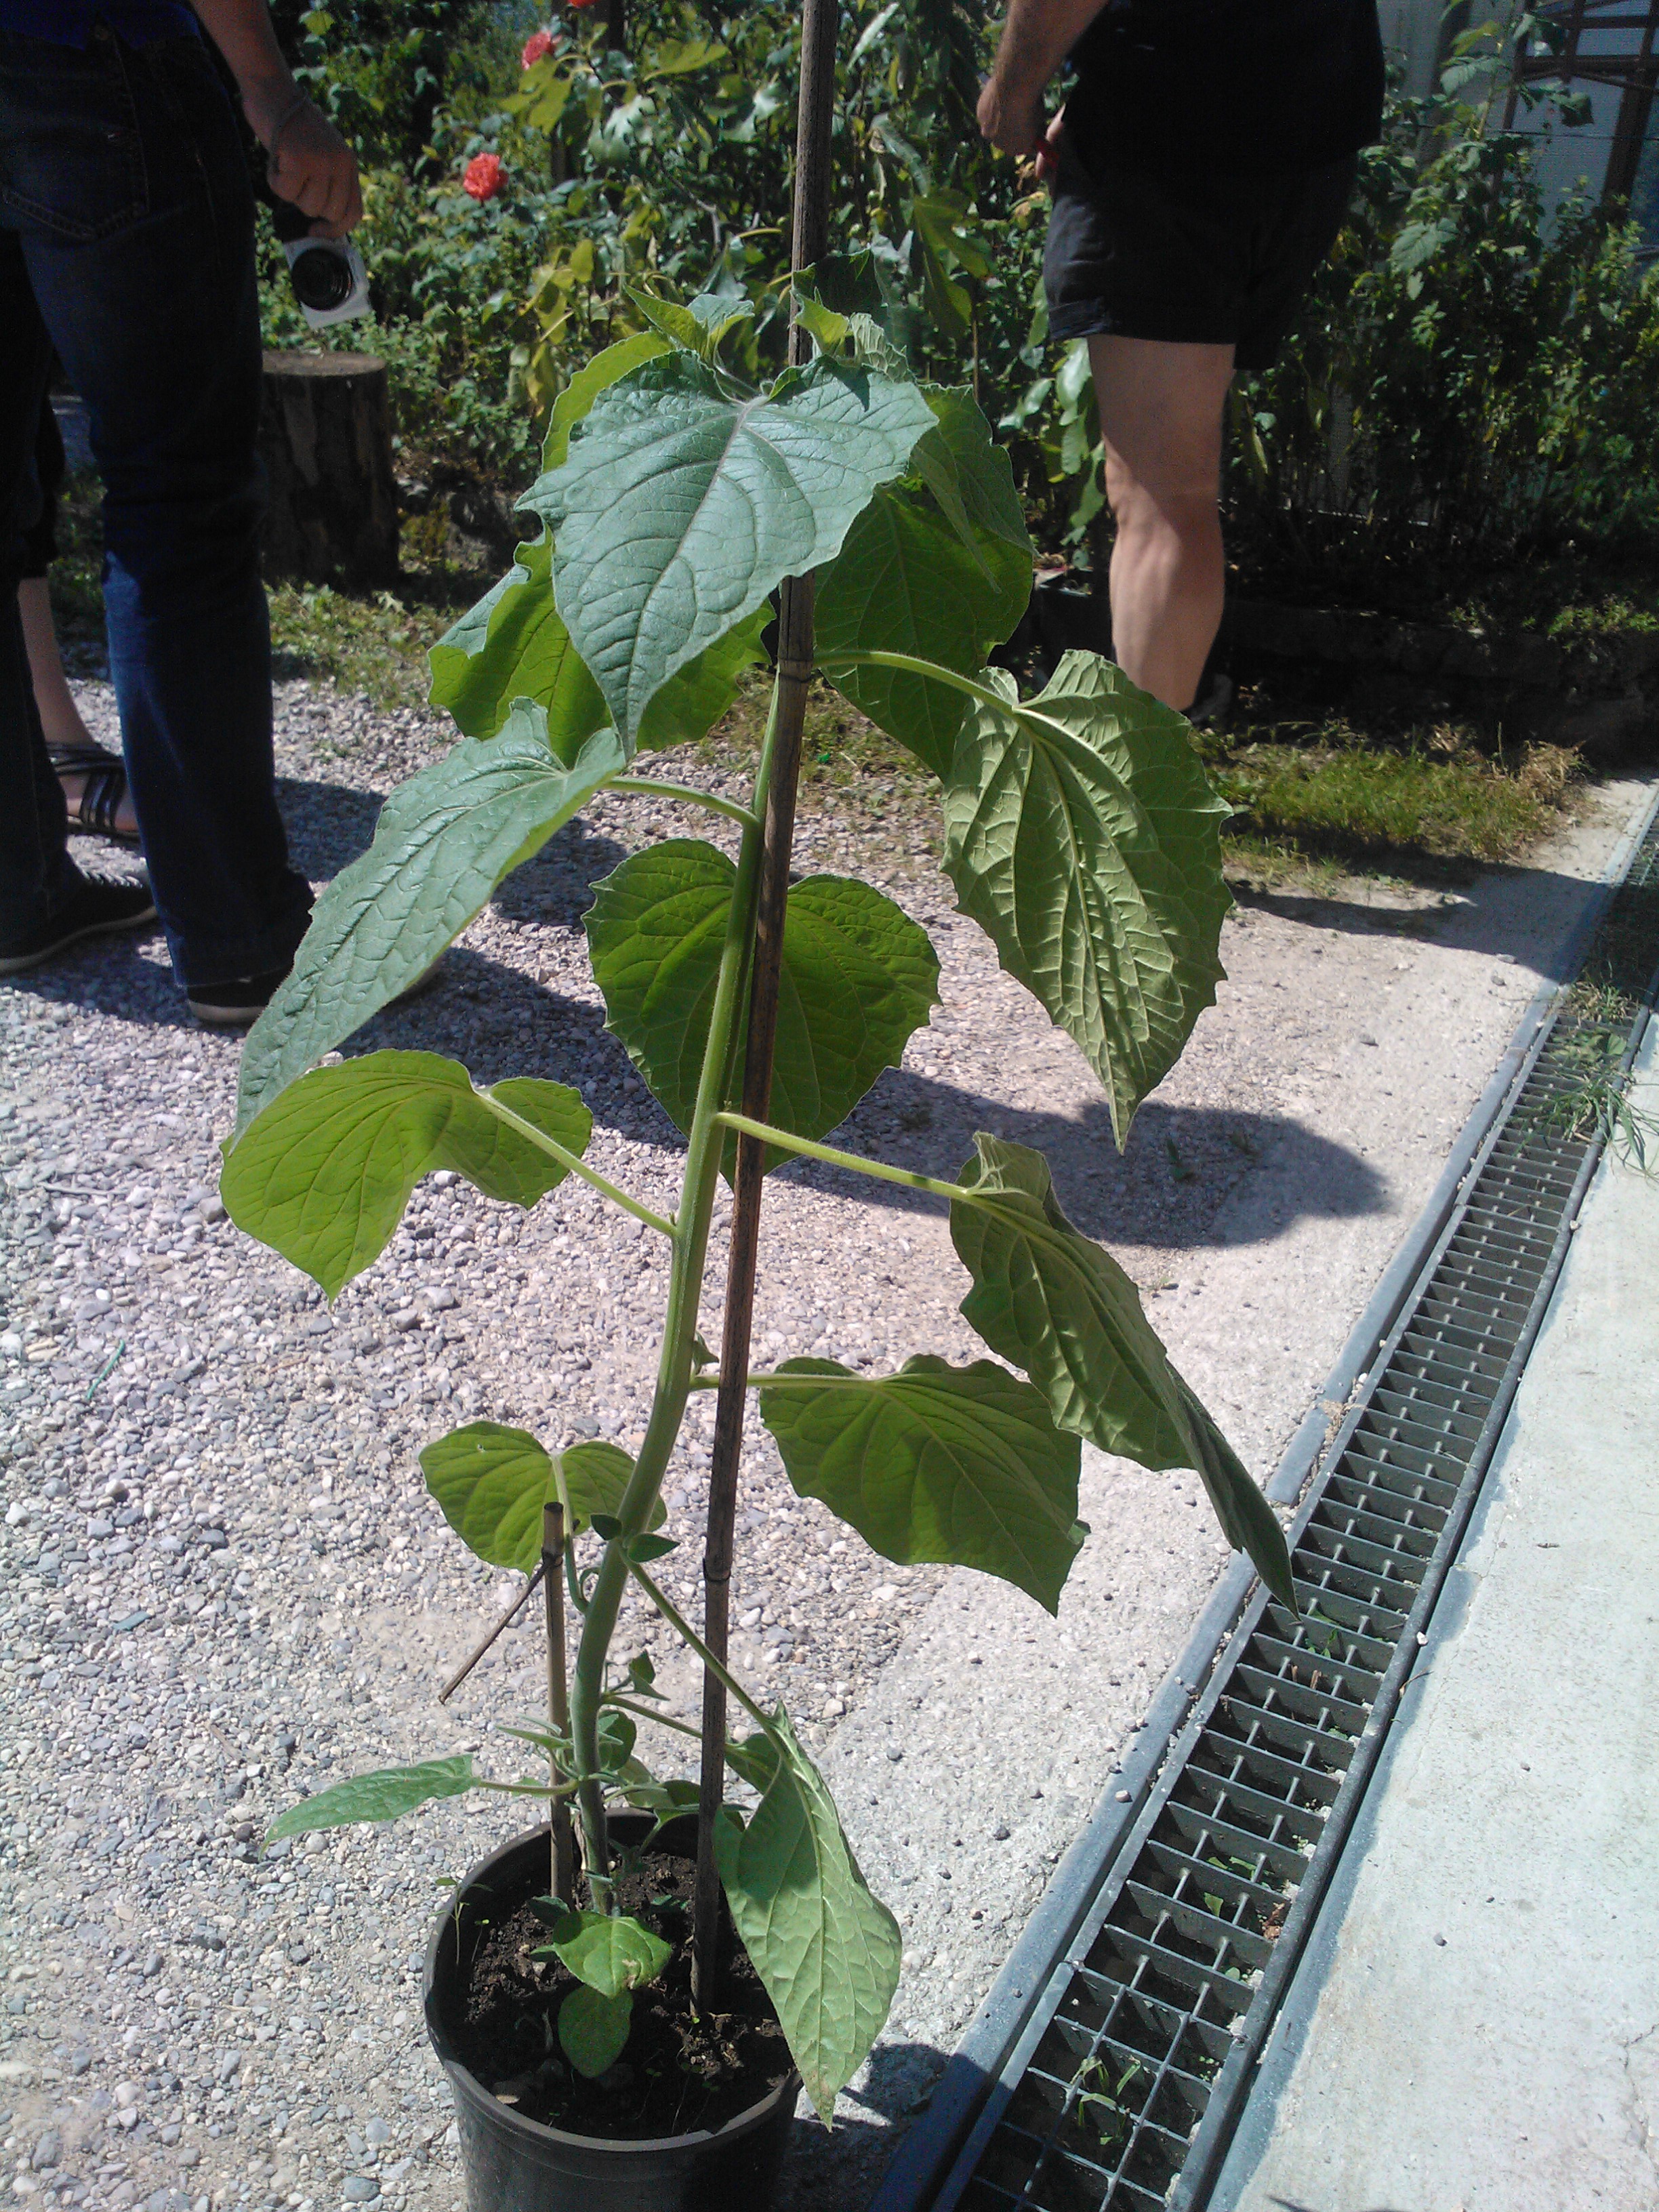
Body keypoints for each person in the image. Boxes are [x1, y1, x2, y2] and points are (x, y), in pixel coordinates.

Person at [0, 0, 361, 1023]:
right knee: (177, 494)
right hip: (89, 51)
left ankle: (16, 896)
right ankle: (243, 942)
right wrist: (273, 93)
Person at [978, 0, 1384, 715]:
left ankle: (1139, 776)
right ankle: (1159, 746)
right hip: (1309, 134)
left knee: (1162, 499)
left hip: (1170, 143)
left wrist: (1012, 96)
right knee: (1180, 495)